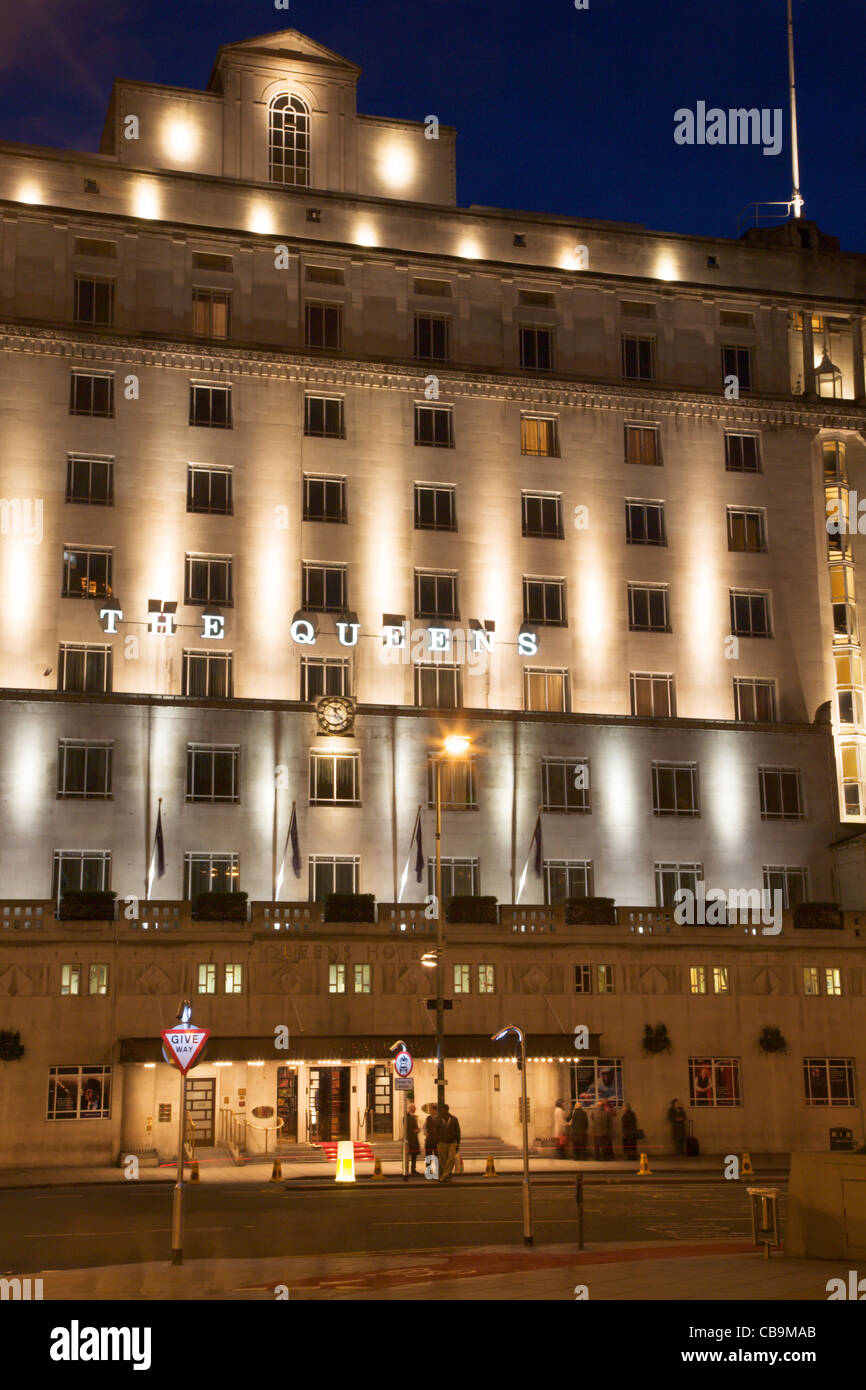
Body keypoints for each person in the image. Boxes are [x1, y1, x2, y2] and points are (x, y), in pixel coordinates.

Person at [436, 1103, 461, 1183]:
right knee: (443, 1161)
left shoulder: (454, 1119)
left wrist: (458, 1143)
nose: (443, 1111)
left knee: (451, 1159)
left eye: (444, 1110)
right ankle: (448, 1176)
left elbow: (458, 1132)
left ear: (447, 1110)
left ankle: (443, 1177)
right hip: (442, 1143)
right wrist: (437, 1141)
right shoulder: (438, 1119)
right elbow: (436, 1131)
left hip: (452, 1143)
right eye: (442, 1110)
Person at [405, 1102, 420, 1176]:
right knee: (407, 1155)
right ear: (411, 1108)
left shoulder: (414, 1117)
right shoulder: (406, 1116)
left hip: (414, 1139)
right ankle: (406, 1169)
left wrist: (417, 1129)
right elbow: (406, 1128)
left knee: (414, 1155)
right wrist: (413, 1130)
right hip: (409, 1139)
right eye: (414, 1108)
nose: (415, 1109)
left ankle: (413, 1169)